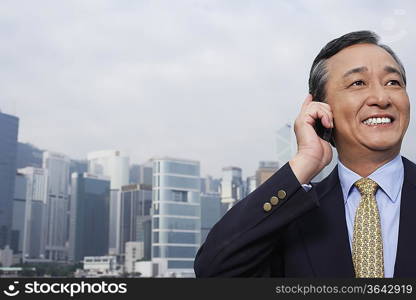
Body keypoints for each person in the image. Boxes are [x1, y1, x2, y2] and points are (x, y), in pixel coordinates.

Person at [194, 30, 416, 278]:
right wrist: (305, 161)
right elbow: (214, 270)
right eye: (358, 83)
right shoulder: (290, 212)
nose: (381, 97)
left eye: (393, 82)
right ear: (320, 107)